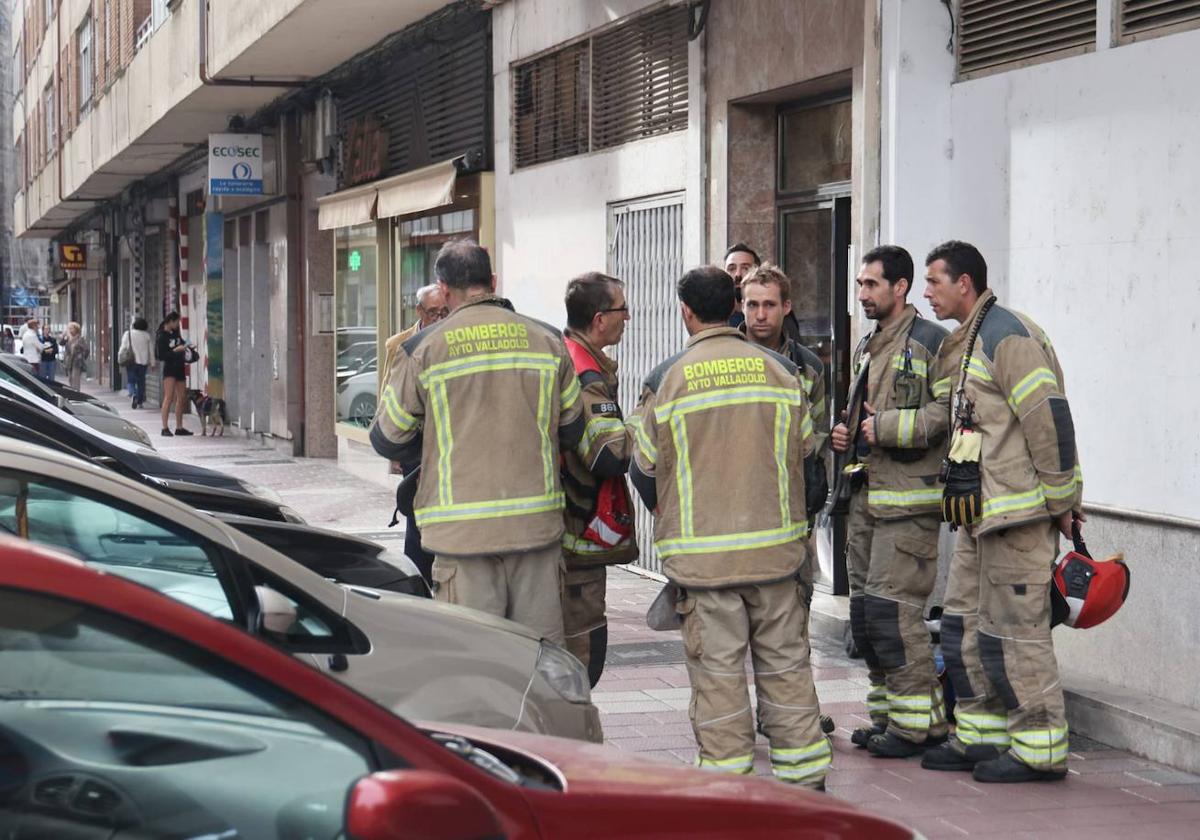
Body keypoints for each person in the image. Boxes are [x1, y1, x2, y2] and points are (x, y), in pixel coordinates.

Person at [627, 266, 830, 789]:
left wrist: (670, 515)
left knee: (718, 681)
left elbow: (642, 467)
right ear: (737, 307)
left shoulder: (669, 380)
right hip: (776, 558)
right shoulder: (782, 373)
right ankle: (806, 782)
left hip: (704, 565)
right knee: (787, 672)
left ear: (686, 313)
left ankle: (727, 787)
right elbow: (809, 458)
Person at [919, 240, 1081, 783]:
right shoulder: (970, 339)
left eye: (934, 281)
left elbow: (1047, 418)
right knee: (966, 628)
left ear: (964, 283)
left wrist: (1061, 501)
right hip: (979, 517)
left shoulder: (1006, 334)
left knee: (1018, 635)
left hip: (1018, 519)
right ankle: (981, 735)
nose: (926, 292)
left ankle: (1040, 749)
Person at [369, 241, 584, 643]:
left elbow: (387, 437)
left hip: (461, 536)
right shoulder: (548, 340)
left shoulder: (422, 349)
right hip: (534, 533)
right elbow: (573, 429)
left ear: (444, 289)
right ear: (493, 282)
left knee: (476, 663)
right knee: (538, 665)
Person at [828, 245, 952, 758]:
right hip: (865, 501)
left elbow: (948, 415)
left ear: (899, 288)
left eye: (871, 285)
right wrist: (848, 433)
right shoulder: (867, 344)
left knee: (894, 616)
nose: (862, 294)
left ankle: (915, 729)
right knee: (865, 619)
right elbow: (865, 417)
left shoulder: (933, 343)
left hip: (908, 505)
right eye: (860, 284)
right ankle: (889, 719)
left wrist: (884, 428)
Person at [560, 272, 637, 686]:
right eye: (622, 308)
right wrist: (644, 423)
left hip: (569, 529)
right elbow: (608, 455)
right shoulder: (584, 371)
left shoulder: (569, 354)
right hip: (577, 535)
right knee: (583, 646)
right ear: (599, 318)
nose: (628, 316)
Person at [379, 284, 451, 588]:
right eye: (433, 312)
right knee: (416, 513)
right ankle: (418, 580)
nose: (438, 317)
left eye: (443, 312)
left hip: (447, 439)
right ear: (419, 311)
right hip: (417, 443)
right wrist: (394, 451)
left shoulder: (452, 337)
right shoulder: (400, 344)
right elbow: (389, 393)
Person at [156, 311, 194, 436]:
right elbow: (161, 355)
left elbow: (182, 342)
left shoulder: (176, 334)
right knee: (169, 397)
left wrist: (188, 346)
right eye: (177, 322)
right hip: (170, 368)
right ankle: (165, 427)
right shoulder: (162, 336)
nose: (178, 324)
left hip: (180, 367)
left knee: (182, 397)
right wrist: (175, 351)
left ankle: (179, 427)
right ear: (170, 321)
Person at [128, 318, 153, 408]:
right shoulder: (147, 335)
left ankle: (133, 394)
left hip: (131, 361)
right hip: (143, 362)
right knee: (141, 382)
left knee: (131, 380)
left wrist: (120, 359)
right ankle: (140, 401)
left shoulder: (129, 334)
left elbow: (123, 347)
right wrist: (153, 363)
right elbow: (151, 350)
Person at [61, 323, 90, 391]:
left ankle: (76, 393)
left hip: (77, 362)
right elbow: (61, 343)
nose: (70, 330)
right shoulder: (68, 339)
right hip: (69, 362)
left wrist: (82, 357)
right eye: (69, 329)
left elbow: (86, 350)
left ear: (76, 329)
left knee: (75, 379)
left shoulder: (80, 339)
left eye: (72, 328)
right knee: (70, 379)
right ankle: (73, 391)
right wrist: (64, 336)